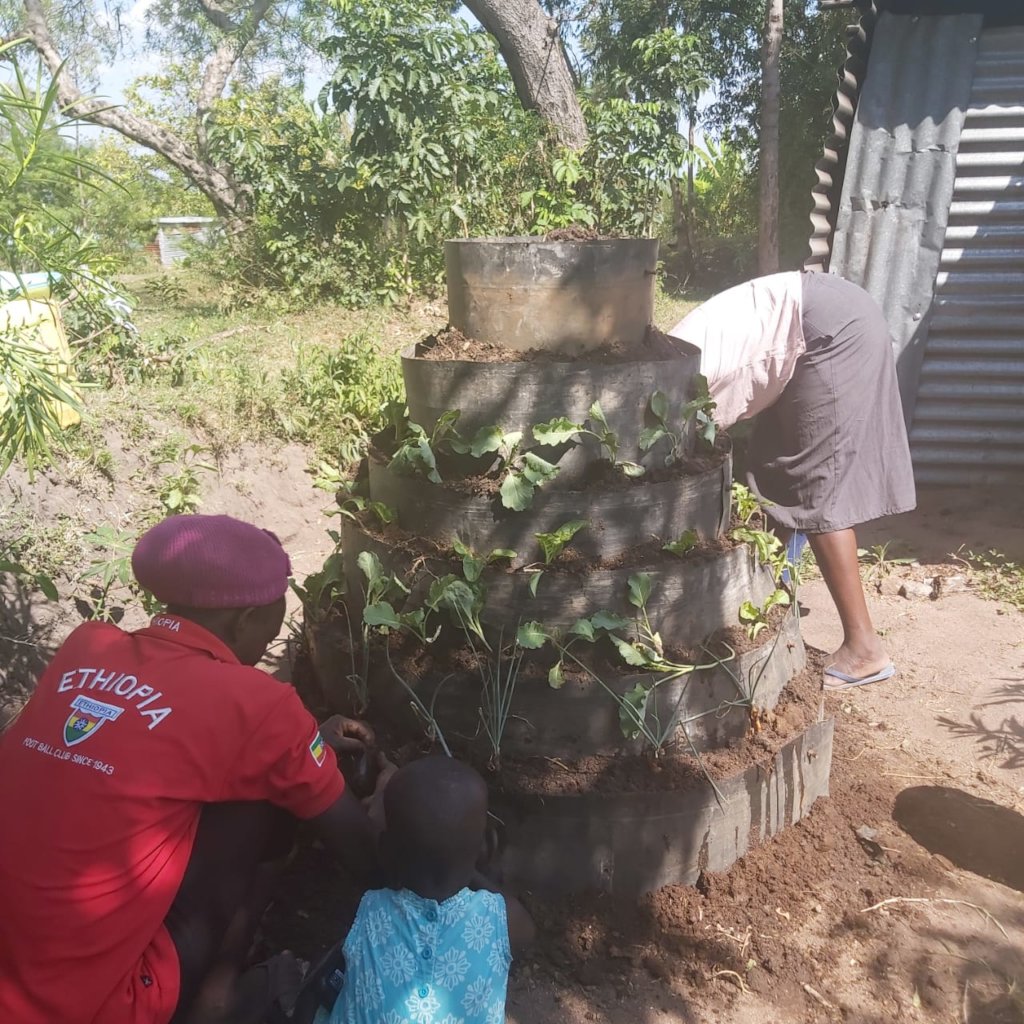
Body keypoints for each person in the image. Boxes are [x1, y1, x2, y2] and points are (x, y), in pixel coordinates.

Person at [0, 514, 388, 1024]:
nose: (273, 635)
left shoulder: (87, 645)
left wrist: (305, 740)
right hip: (92, 1006)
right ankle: (218, 992)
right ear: (245, 618)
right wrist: (389, 792)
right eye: (274, 618)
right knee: (263, 799)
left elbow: (164, 731)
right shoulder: (259, 705)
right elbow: (366, 857)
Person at [669, 270, 917, 690]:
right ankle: (763, 595)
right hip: (818, 319)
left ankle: (864, 649)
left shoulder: (675, 387)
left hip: (828, 329)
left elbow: (695, 458)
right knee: (771, 470)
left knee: (816, 487)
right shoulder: (669, 358)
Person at [309, 755, 534, 1024]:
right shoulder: (501, 920)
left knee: (323, 983)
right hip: (454, 858)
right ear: (487, 847)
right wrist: (468, 863)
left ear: (385, 850)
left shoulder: (370, 907)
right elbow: (527, 931)